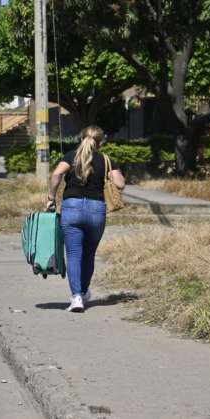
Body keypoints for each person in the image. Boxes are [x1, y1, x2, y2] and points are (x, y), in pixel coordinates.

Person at [47, 125, 125, 312]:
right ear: (101, 143)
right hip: (96, 209)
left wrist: (51, 197)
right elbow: (120, 184)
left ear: (81, 138)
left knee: (74, 254)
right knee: (88, 254)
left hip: (71, 208)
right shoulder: (106, 160)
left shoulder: (70, 157)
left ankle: (76, 298)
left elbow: (57, 174)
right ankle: (83, 291)